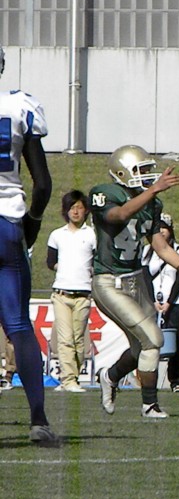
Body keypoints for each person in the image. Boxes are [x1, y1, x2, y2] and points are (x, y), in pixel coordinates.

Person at [92, 145, 179, 419]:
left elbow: (162, 248)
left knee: (141, 347)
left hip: (136, 281)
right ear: (122, 173)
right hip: (109, 281)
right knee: (153, 340)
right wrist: (154, 190)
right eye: (142, 170)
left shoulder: (152, 204)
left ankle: (110, 376)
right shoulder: (104, 193)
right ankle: (149, 405)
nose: (148, 175)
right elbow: (119, 215)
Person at [0, 45, 58, 445]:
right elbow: (43, 184)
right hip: (7, 222)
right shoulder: (20, 105)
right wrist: (33, 223)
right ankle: (38, 419)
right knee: (19, 325)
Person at [46, 190, 96, 393]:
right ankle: (67, 380)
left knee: (78, 340)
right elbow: (50, 262)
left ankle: (73, 377)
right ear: (65, 210)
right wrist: (65, 269)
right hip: (61, 294)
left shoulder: (92, 234)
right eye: (72, 208)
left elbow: (98, 262)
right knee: (65, 339)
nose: (75, 212)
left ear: (86, 210)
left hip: (83, 294)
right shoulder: (57, 235)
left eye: (79, 208)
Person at [142, 213, 179, 392]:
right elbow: (145, 277)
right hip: (152, 303)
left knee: (177, 341)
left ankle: (177, 380)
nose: (161, 231)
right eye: (158, 228)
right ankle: (147, 379)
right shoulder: (147, 251)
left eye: (165, 228)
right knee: (149, 341)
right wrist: (152, 300)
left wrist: (169, 301)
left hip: (175, 302)